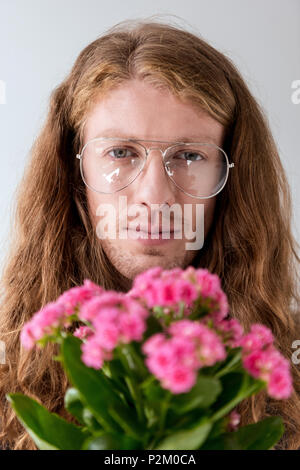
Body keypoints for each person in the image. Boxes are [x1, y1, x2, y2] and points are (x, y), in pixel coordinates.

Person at [0, 18, 299, 451]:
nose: (155, 197)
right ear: (73, 168)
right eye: (121, 152)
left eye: (189, 155)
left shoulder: (289, 371)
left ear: (232, 174)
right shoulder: (9, 379)